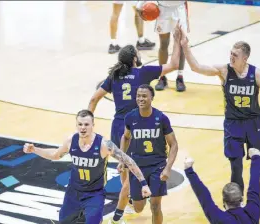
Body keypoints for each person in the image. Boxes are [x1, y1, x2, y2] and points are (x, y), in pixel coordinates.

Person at [88, 25, 181, 224]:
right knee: (137, 168)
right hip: (136, 126)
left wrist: (89, 123)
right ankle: (119, 214)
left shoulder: (113, 76)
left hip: (118, 126)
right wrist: (178, 42)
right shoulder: (142, 73)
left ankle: (128, 206)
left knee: (126, 172)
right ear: (134, 59)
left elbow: (94, 99)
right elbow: (173, 63)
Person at [178, 27, 260, 209]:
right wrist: (185, 46)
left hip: (253, 123)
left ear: (245, 58)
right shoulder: (224, 71)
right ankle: (237, 207)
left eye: (235, 55)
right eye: (230, 53)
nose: (231, 57)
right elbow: (196, 67)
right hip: (233, 124)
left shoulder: (256, 74)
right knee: (236, 167)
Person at [22, 110, 151, 224]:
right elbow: (56, 155)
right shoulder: (71, 140)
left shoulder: (103, 144)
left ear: (93, 126)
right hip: (73, 192)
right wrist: (34, 149)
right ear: (76, 125)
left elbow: (128, 161)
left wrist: (143, 183)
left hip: (94, 194)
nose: (83, 128)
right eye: (80, 124)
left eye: (86, 124)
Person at [120, 84, 178, 224]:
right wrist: (122, 159)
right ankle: (137, 198)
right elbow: (126, 137)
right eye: (138, 96)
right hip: (137, 167)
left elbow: (174, 144)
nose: (141, 98)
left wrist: (168, 168)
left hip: (157, 166)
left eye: (144, 96)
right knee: (138, 208)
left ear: (152, 98)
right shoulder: (130, 117)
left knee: (155, 205)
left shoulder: (161, 118)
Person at [184, 148, 260, 223]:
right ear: (241, 199)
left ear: (224, 202)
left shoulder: (221, 219)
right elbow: (254, 186)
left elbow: (204, 196)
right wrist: (256, 158)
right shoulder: (253, 213)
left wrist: (189, 170)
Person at [136, 1, 189, 92]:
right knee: (164, 43)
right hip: (163, 10)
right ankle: (162, 77)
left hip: (179, 9)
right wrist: (139, 5)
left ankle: (180, 77)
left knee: (181, 44)